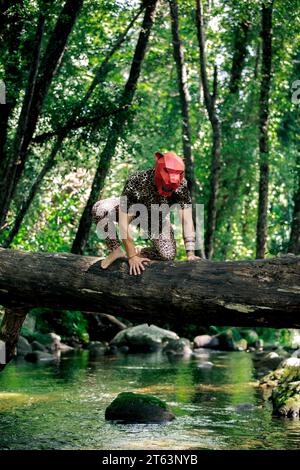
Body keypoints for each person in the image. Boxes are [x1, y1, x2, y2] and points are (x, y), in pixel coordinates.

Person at [92, 151, 200, 275]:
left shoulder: (181, 186)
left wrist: (190, 253)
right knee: (100, 209)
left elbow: (186, 220)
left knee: (168, 255)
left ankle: (139, 251)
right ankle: (117, 250)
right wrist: (132, 257)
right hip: (131, 209)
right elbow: (123, 220)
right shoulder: (137, 180)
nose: (168, 188)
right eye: (166, 185)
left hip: (156, 218)